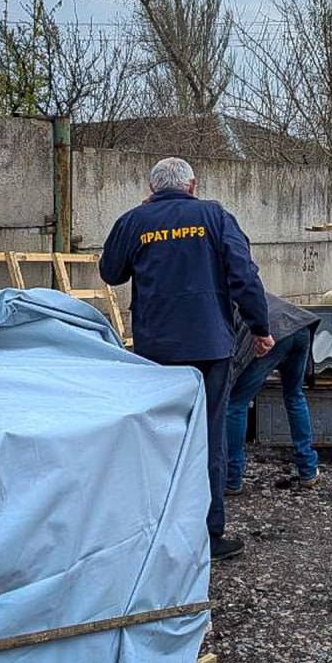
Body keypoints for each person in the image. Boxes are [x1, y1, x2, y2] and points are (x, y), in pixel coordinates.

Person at [99, 156, 273, 562]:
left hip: (156, 349)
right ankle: (206, 536)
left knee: (158, 435)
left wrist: (141, 222)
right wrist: (260, 327)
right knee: (208, 437)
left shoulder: (134, 221)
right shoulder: (215, 217)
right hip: (210, 347)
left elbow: (111, 272)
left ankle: (154, 530)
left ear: (153, 189)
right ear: (192, 185)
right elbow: (244, 275)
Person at [226, 293, 321, 494]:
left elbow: (233, 352)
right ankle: (308, 470)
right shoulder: (243, 286)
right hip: (299, 326)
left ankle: (231, 478)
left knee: (235, 404)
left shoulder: (220, 302)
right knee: (294, 396)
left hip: (273, 332)